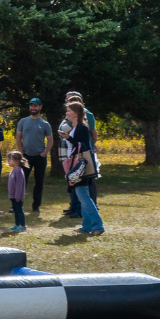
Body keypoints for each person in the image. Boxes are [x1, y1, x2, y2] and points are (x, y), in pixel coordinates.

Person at [64, 101, 104, 236]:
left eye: (68, 110)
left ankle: (98, 226)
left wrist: (68, 138)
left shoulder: (81, 127)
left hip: (81, 166)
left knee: (84, 197)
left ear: (76, 113)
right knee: (82, 197)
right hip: (79, 165)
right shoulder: (76, 127)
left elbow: (83, 147)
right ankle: (86, 226)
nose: (66, 113)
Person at [15, 98, 53, 213]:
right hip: (26, 156)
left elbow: (50, 140)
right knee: (22, 181)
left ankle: (36, 206)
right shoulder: (23, 121)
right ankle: (17, 204)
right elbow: (18, 137)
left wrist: (45, 153)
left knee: (39, 182)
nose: (33, 108)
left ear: (40, 107)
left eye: (35, 106)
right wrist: (21, 151)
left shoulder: (45, 124)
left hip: (40, 157)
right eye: (31, 106)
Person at [6, 150, 28, 231]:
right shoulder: (13, 171)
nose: (8, 161)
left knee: (19, 210)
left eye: (10, 159)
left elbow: (19, 185)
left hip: (17, 196)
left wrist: (17, 195)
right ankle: (17, 224)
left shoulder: (19, 171)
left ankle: (22, 225)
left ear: (16, 161)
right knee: (15, 210)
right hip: (13, 196)